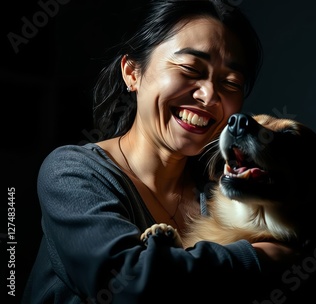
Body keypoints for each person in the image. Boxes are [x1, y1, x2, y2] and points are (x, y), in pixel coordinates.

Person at [22, 1, 298, 303]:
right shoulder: (72, 173)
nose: (209, 96)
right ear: (132, 72)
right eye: (190, 69)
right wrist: (259, 259)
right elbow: (130, 285)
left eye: (230, 83)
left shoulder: (223, 195)